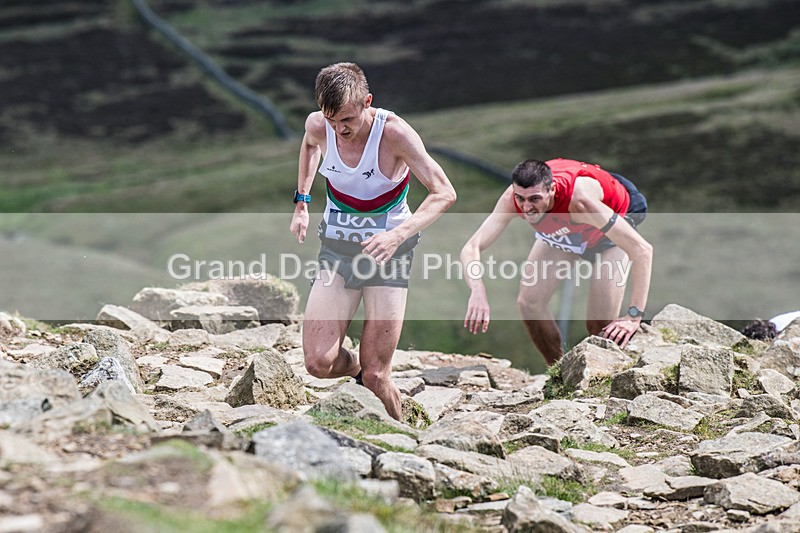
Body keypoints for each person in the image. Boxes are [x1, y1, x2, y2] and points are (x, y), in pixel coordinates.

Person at [290, 62, 456, 420]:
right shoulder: (318, 125)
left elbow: (444, 193)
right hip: (336, 249)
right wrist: (302, 202)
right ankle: (355, 372)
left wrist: (397, 235)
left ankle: (407, 441)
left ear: (367, 101)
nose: (339, 129)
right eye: (332, 120)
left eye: (347, 119)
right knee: (318, 363)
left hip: (389, 256)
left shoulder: (395, 134)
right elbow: (308, 146)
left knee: (379, 374)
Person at [461, 158, 652, 365]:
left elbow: (642, 250)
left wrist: (634, 316)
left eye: (534, 199)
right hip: (569, 229)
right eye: (521, 198)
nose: (526, 208)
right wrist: (477, 290)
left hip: (611, 226)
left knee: (599, 326)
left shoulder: (581, 203)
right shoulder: (512, 199)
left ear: (551, 190)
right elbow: (471, 247)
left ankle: (604, 379)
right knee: (529, 304)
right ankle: (559, 374)